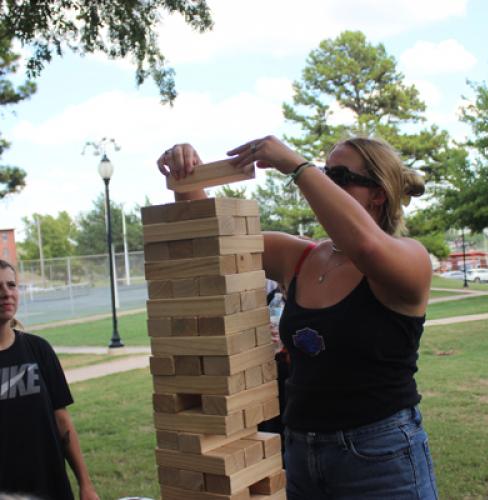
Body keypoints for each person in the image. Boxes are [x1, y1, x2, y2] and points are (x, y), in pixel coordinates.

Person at [157, 135, 438, 499]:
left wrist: (296, 165)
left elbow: (366, 246)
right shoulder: (301, 257)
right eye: (324, 172)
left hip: (379, 455)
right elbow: (214, 240)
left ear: (378, 194)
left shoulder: (411, 258)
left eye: (338, 176)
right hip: (302, 451)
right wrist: (189, 177)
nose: (324, 182)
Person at [0, 260, 99, 500]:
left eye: (11, 285)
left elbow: (62, 421)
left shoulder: (38, 349)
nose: (6, 293)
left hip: (50, 487)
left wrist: (85, 484)